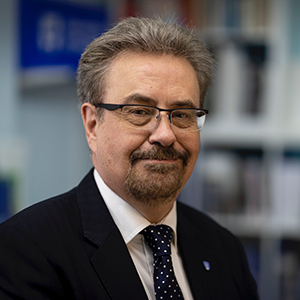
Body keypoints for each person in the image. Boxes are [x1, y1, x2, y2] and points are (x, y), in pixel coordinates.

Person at [0, 17, 259, 299]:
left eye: (182, 115)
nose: (165, 135)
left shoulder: (223, 248)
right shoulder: (26, 250)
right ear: (92, 125)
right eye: (139, 112)